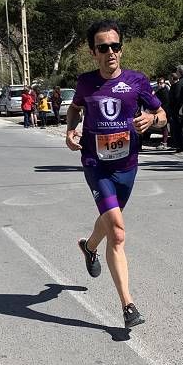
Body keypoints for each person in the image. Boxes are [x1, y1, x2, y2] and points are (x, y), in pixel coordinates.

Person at [65, 19, 164, 330]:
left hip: (127, 165)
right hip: (96, 165)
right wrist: (70, 131)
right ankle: (128, 305)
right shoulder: (85, 82)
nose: (110, 52)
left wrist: (152, 119)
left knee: (111, 219)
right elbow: (74, 109)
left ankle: (89, 246)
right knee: (118, 231)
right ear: (93, 52)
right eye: (103, 47)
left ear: (121, 49)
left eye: (115, 46)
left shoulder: (137, 81)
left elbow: (162, 114)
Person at [169, 66, 183, 152]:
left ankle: (182, 147)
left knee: (180, 129)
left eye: (177, 71)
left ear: (179, 72)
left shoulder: (179, 84)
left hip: (179, 110)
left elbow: (177, 98)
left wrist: (175, 109)